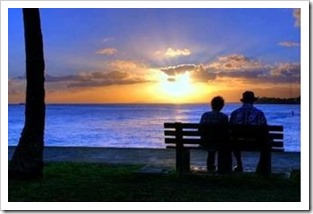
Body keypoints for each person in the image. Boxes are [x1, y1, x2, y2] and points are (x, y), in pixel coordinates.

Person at [230, 91, 268, 173]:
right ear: (253, 100)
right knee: (267, 142)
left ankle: (239, 164)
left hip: (237, 143)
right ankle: (259, 167)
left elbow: (230, 129)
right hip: (256, 143)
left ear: (243, 100)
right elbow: (265, 129)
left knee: (233, 139)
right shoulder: (259, 113)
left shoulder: (234, 113)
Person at [200, 96, 229, 172]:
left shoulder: (205, 115)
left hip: (205, 142)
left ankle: (210, 166)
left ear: (211, 105)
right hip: (220, 143)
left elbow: (200, 129)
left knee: (211, 148)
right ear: (222, 106)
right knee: (221, 143)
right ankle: (222, 168)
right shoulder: (224, 117)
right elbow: (226, 131)